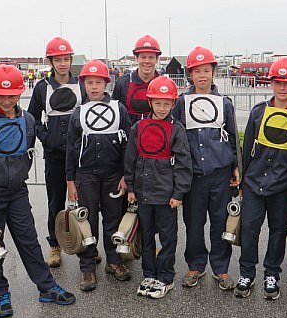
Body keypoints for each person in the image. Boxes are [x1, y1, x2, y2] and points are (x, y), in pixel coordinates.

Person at [0, 65, 76, 318]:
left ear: (20, 93)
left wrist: (17, 177)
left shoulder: (28, 120)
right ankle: (0, 292)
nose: (6, 101)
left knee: (29, 240)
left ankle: (46, 286)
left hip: (17, 193)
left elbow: (27, 153)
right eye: (1, 96)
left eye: (12, 95)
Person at [234, 57, 287, 300]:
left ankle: (271, 273)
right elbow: (247, 148)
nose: (282, 87)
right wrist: (243, 182)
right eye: (278, 82)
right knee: (249, 229)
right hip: (254, 183)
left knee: (278, 231)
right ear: (271, 83)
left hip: (284, 187)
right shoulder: (258, 112)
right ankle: (247, 273)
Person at [172, 46, 241, 290]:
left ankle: (221, 268)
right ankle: (196, 265)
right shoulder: (181, 103)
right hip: (193, 177)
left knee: (220, 223)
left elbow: (233, 137)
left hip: (220, 175)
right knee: (194, 223)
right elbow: (175, 138)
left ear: (213, 73)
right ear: (190, 74)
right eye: (197, 71)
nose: (202, 75)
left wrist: (236, 166)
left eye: (206, 70)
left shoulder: (225, 104)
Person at [65, 60, 132, 291]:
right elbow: (70, 149)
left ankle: (114, 261)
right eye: (90, 83)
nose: (94, 87)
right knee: (88, 221)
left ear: (106, 83)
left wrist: (126, 174)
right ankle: (87, 266)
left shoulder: (119, 109)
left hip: (113, 175)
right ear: (84, 84)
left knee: (113, 219)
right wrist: (70, 181)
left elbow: (128, 145)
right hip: (86, 175)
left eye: (98, 82)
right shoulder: (78, 113)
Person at [124, 76, 193, 299]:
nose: (162, 108)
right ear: (150, 102)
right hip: (143, 193)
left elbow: (183, 163)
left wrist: (179, 193)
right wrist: (131, 188)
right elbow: (130, 159)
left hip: (166, 196)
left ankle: (165, 277)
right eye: (158, 103)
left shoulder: (177, 129)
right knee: (146, 237)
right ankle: (149, 274)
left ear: (173, 104)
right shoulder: (138, 127)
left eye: (166, 103)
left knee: (167, 238)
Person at [27, 37, 86, 268]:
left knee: (85, 201)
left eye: (66, 59)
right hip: (55, 155)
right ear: (51, 62)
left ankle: (86, 244)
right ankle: (55, 245)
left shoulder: (82, 85)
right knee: (56, 202)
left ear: (71, 60)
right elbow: (32, 118)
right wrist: (46, 138)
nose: (63, 64)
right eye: (58, 60)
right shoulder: (42, 87)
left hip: (81, 154)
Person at [112, 35, 162, 124]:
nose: (147, 61)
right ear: (136, 58)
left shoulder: (163, 84)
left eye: (151, 57)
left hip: (156, 131)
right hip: (128, 131)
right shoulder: (123, 83)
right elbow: (114, 111)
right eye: (143, 57)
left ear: (157, 59)